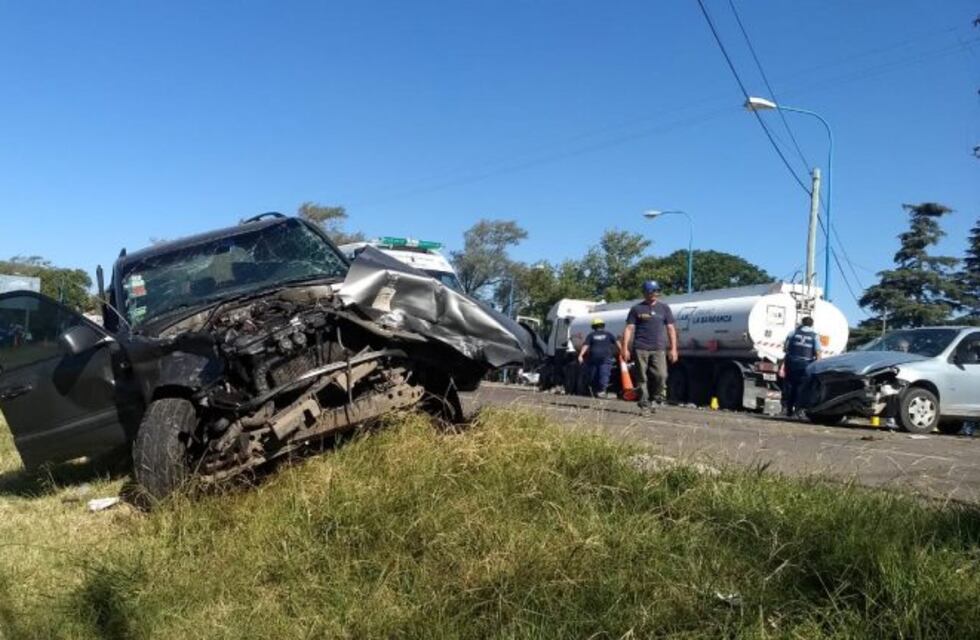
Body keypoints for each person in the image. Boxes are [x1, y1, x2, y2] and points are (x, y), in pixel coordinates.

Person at [622, 281, 677, 413]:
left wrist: (673, 348)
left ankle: (656, 399)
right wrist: (625, 348)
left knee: (661, 375)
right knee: (642, 377)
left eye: (657, 291)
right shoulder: (636, 309)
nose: (655, 294)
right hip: (640, 347)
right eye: (652, 291)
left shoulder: (664, 308)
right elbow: (629, 329)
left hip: (659, 348)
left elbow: (671, 328)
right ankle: (644, 403)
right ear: (645, 293)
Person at [781, 316, 821, 418]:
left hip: (791, 363)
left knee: (789, 386)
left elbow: (785, 349)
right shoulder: (815, 336)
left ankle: (787, 409)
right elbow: (818, 353)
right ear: (812, 324)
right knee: (802, 388)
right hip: (806, 365)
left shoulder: (792, 333)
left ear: (802, 323)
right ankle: (798, 410)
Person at [578, 317, 618, 397]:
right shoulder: (608, 334)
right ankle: (599, 391)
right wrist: (623, 351)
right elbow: (617, 343)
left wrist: (580, 355)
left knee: (598, 375)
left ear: (593, 327)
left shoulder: (591, 335)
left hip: (596, 359)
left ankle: (600, 391)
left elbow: (586, 345)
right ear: (603, 326)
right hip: (603, 358)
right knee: (602, 375)